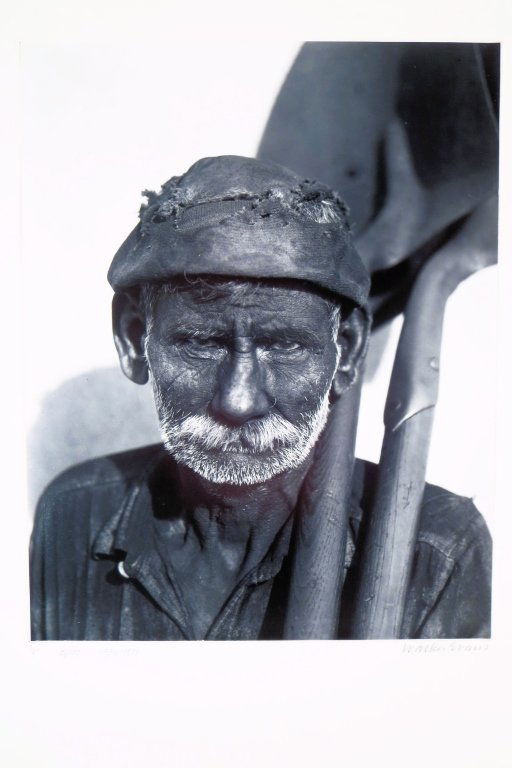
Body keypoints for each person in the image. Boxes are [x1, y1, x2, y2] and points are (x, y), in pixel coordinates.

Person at [30, 155, 491, 640]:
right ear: (133, 339)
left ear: (348, 352)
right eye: (201, 343)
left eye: (285, 345)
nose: (239, 401)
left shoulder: (436, 552)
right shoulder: (74, 517)